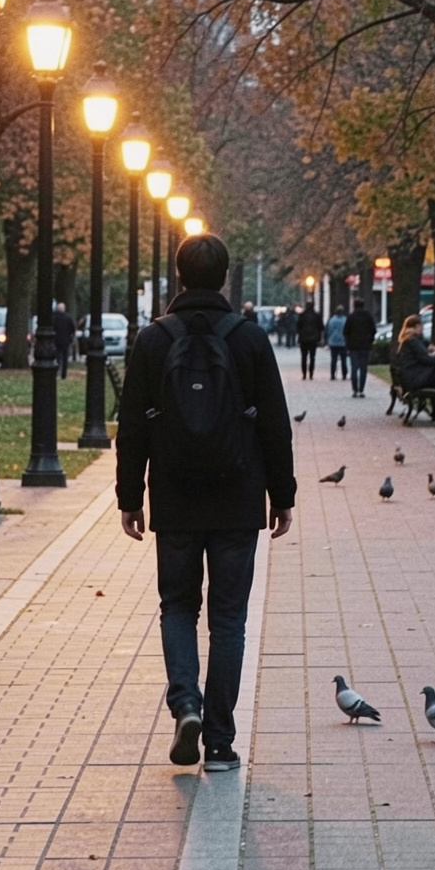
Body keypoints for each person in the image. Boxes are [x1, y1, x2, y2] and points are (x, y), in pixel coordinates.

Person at [116, 234, 296, 773]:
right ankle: (219, 742)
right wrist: (282, 496)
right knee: (228, 618)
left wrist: (131, 497)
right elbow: (274, 424)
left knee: (177, 605)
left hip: (174, 496)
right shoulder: (249, 339)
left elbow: (132, 428)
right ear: (223, 277)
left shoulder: (154, 340)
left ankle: (186, 704)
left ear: (179, 274)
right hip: (237, 497)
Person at [343, 297, 376, 397]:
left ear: (354, 305)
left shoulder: (351, 316)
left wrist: (348, 344)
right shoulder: (368, 316)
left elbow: (346, 332)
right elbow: (373, 330)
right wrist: (370, 340)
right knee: (363, 368)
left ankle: (355, 390)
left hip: (353, 346)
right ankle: (361, 389)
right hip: (365, 345)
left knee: (354, 367)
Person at [296, 300, 324, 380]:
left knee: (303, 357)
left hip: (303, 339)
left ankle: (304, 374)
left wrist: (300, 334)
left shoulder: (302, 315)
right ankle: (311, 374)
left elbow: (298, 326)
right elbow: (321, 327)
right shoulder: (317, 316)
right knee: (312, 357)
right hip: (313, 339)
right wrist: (320, 337)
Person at [53, 302, 77, 379]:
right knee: (65, 357)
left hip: (57, 340)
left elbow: (53, 328)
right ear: (64, 308)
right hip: (66, 340)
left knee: (57, 357)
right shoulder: (68, 317)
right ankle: (64, 374)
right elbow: (72, 328)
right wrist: (71, 335)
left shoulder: (54, 317)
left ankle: (57, 372)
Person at [325, 304, 349, 381]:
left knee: (333, 359)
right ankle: (344, 374)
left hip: (333, 342)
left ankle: (332, 374)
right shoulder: (345, 320)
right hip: (343, 342)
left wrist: (328, 340)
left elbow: (328, 330)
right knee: (343, 359)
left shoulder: (331, 320)